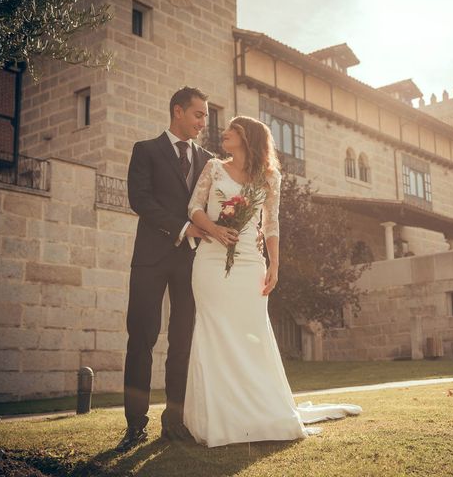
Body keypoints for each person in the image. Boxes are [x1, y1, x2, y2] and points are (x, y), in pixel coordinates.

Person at [184, 116, 361, 447]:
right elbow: (194, 207)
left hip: (251, 262)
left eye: (231, 131)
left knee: (250, 336)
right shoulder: (213, 168)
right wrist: (215, 229)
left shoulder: (269, 177)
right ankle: (218, 418)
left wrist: (275, 264)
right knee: (213, 331)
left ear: (247, 138)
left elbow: (272, 223)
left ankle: (258, 411)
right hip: (209, 259)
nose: (223, 134)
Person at [116, 87, 215, 453]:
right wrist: (182, 227)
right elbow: (140, 199)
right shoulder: (146, 150)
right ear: (178, 111)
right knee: (141, 339)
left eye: (205, 116)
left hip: (191, 262)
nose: (203, 122)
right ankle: (135, 425)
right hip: (150, 258)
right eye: (199, 115)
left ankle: (174, 421)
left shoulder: (208, 160)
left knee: (183, 341)